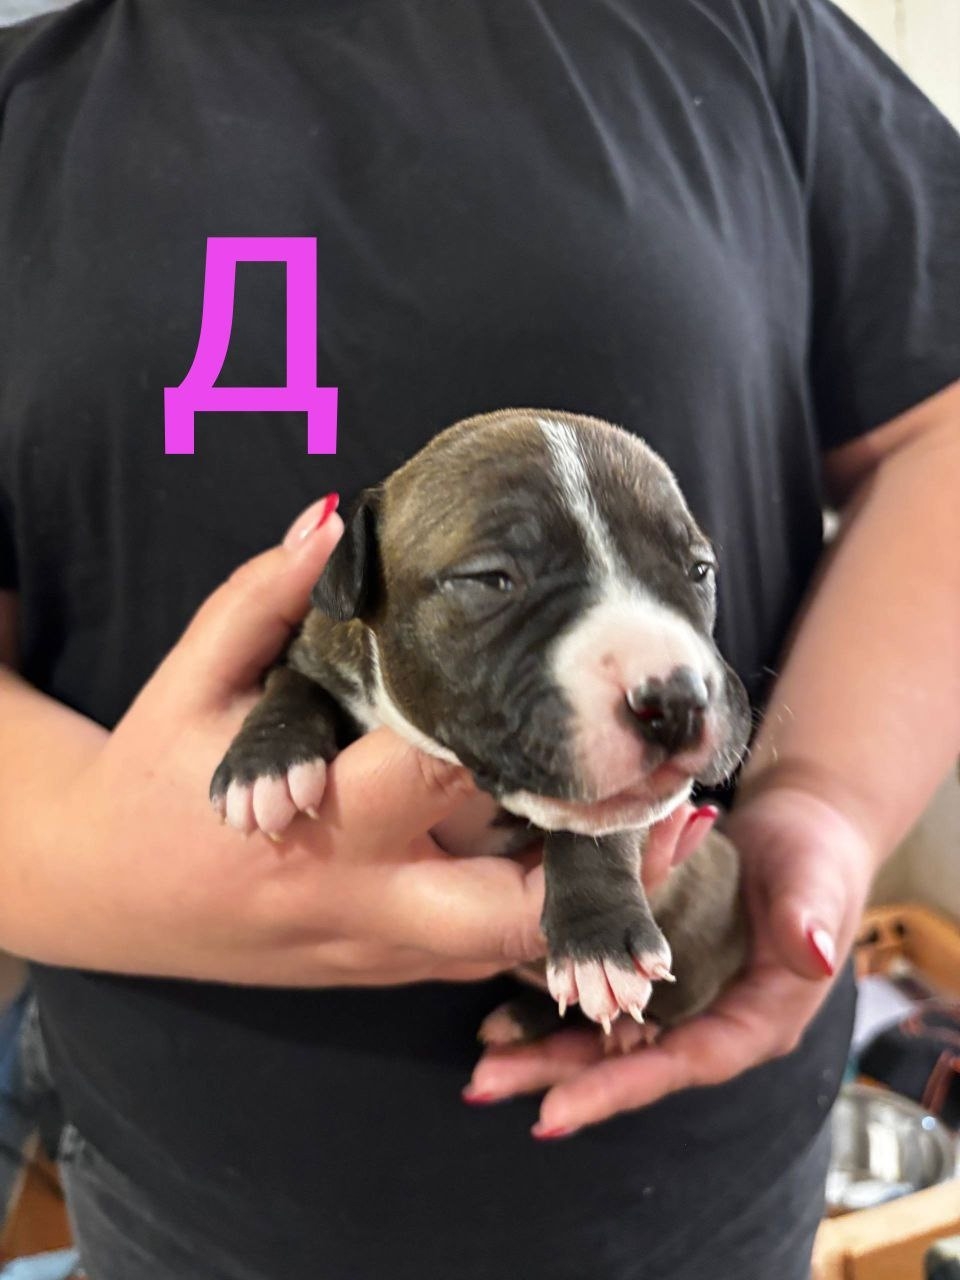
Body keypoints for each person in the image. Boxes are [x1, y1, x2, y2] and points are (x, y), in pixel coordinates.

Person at [0, 0, 957, 1276]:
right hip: (196, 1180)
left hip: (692, 1166)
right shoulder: (30, 109)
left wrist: (826, 804)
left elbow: (942, 427)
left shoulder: (737, 27)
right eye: (499, 579)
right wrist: (113, 862)